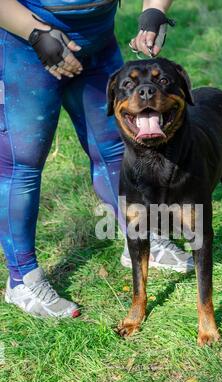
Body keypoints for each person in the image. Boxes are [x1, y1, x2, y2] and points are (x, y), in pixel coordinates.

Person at [0, 0, 193, 319]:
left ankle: (141, 240)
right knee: (23, 165)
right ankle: (22, 280)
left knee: (115, 148)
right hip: (26, 47)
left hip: (98, 44)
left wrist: (154, 10)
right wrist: (35, 33)